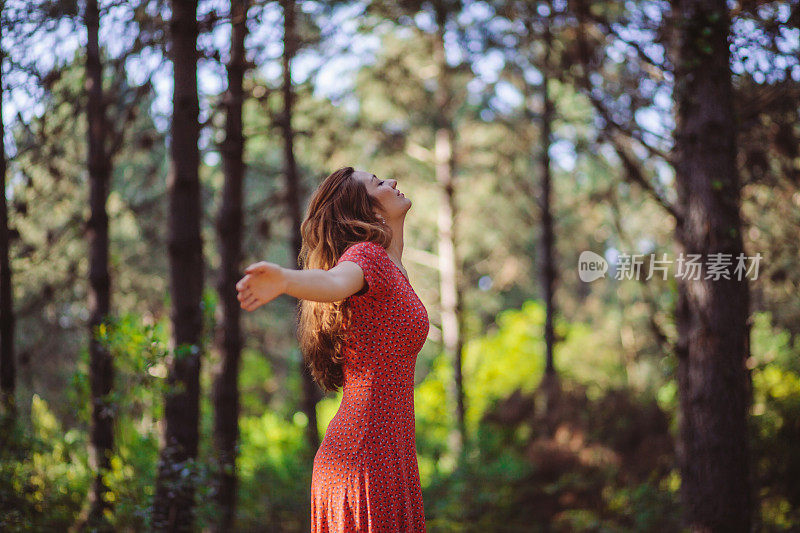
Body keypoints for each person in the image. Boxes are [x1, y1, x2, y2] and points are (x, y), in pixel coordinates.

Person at [235, 167, 429, 532]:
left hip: (387, 453)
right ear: (367, 212)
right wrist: (285, 280)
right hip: (365, 455)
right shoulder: (367, 257)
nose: (392, 183)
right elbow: (333, 281)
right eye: (378, 183)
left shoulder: (393, 268)